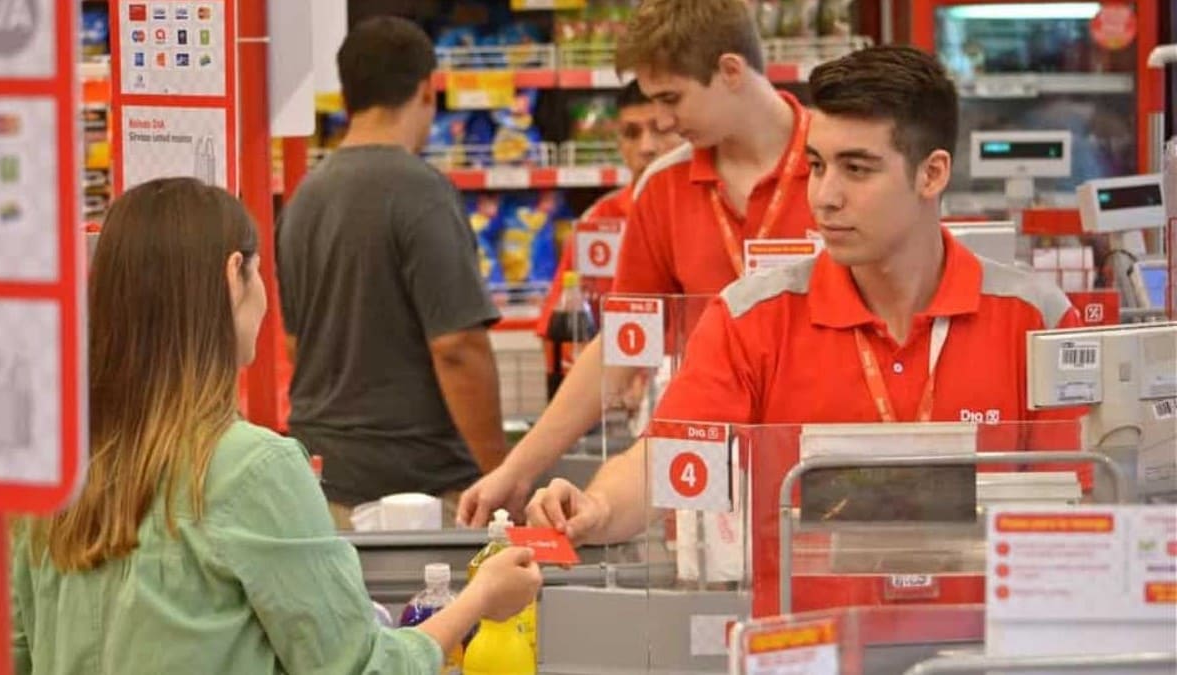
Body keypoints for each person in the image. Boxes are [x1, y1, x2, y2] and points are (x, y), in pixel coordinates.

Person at [524, 45, 1084, 546]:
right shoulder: (750, 318)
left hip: (980, 648)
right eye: (816, 166)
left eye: (857, 169)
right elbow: (670, 455)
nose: (825, 196)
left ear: (932, 174)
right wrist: (596, 508)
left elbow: (1084, 501)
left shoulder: (1038, 320)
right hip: (806, 642)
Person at [12, 178, 542, 674]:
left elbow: (12, 651)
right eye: (260, 272)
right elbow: (356, 667)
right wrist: (480, 598)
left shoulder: (54, 467)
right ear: (233, 274)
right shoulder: (251, 468)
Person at [458, 0, 816, 525]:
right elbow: (623, 345)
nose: (664, 122)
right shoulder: (664, 189)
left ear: (731, 71)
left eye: (672, 99)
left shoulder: (837, 167)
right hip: (702, 473)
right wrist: (518, 468)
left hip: (823, 459)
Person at [278, 16, 506, 528]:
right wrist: (502, 475)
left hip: (321, 484)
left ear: (346, 95)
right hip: (419, 492)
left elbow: (296, 344)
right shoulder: (421, 191)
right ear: (428, 89)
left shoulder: (303, 200)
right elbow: (458, 349)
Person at [534, 78, 683, 395]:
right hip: (612, 404)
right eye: (632, 133)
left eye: (660, 130)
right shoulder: (598, 221)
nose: (647, 147)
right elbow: (560, 329)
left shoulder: (711, 211)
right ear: (619, 143)